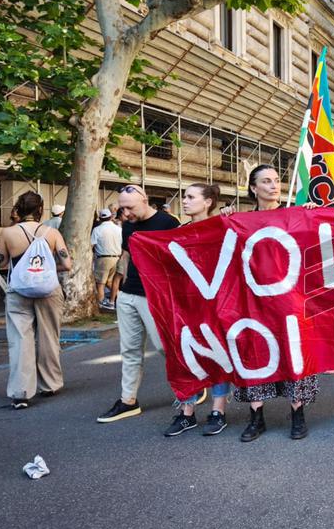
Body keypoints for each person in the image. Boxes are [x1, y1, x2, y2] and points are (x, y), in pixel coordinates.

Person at [221, 165, 319, 441]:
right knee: (254, 352)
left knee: (293, 352)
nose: (274, 186)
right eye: (266, 181)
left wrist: (311, 215)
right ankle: (256, 418)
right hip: (253, 301)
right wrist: (225, 218)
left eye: (277, 180)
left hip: (289, 299)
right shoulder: (239, 220)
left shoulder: (296, 216)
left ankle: (298, 414)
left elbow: (316, 246)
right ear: (253, 188)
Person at [97, 185, 182, 423]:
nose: (125, 213)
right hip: (128, 294)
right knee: (130, 351)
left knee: (164, 347)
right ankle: (128, 401)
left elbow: (180, 259)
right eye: (122, 208)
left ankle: (191, 385)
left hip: (155, 296)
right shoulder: (128, 225)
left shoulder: (168, 222)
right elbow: (127, 255)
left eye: (130, 207)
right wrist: (120, 284)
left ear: (144, 200)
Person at [164, 184, 233, 437]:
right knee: (186, 354)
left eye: (190, 197)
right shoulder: (178, 232)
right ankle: (187, 412)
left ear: (208, 202)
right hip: (186, 304)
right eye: (184, 196)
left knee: (218, 354)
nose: (184, 201)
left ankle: (218, 411)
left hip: (216, 303)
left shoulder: (221, 227)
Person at [0, 192, 72, 408]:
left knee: (20, 340)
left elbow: (1, 264)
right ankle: (50, 384)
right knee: (49, 337)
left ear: (19, 209)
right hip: (49, 291)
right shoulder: (52, 233)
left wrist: (25, 269)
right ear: (40, 209)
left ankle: (21, 392)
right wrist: (45, 270)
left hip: (19, 290)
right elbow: (67, 264)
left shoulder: (8, 233)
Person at [91, 208, 122, 310]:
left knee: (100, 284)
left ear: (100, 218)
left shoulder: (97, 229)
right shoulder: (118, 229)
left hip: (103, 259)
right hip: (117, 258)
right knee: (110, 282)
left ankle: (101, 304)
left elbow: (91, 245)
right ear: (111, 217)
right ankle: (121, 300)